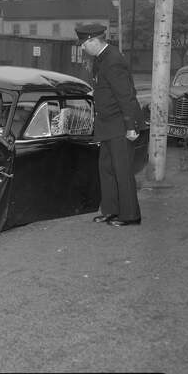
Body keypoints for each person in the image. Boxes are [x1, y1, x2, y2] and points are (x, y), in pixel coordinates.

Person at [75, 23, 145, 227]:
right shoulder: (102, 58)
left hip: (120, 124)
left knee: (122, 170)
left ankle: (131, 215)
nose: (82, 48)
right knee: (106, 168)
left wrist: (130, 126)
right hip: (108, 123)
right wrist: (94, 94)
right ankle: (111, 210)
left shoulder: (112, 60)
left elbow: (126, 95)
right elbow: (108, 87)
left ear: (93, 41)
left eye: (83, 44)